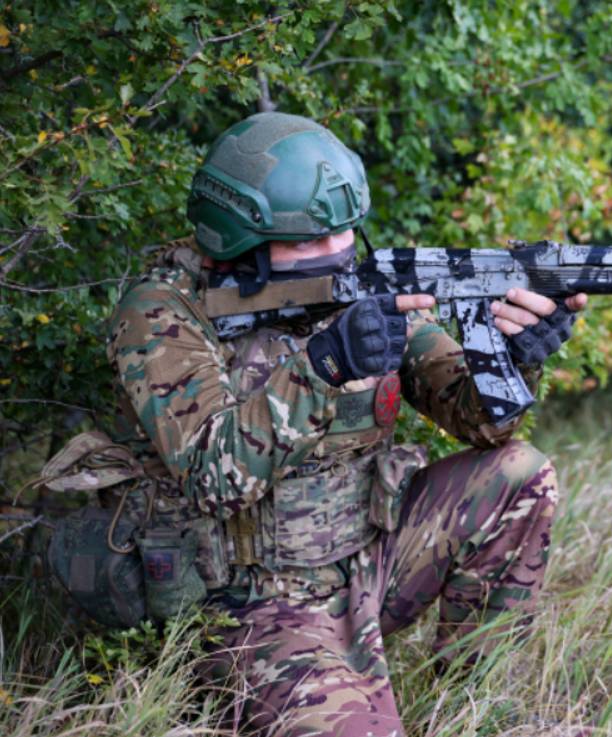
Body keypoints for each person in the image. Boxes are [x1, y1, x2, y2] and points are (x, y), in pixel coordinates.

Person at [87, 111, 585, 735]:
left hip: (368, 563)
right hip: (248, 602)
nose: (336, 253)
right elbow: (213, 477)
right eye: (309, 240)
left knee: (520, 475)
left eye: (345, 232)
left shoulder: (356, 288)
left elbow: (477, 422)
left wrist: (512, 359)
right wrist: (322, 367)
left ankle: (474, 709)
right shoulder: (161, 314)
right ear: (241, 240)